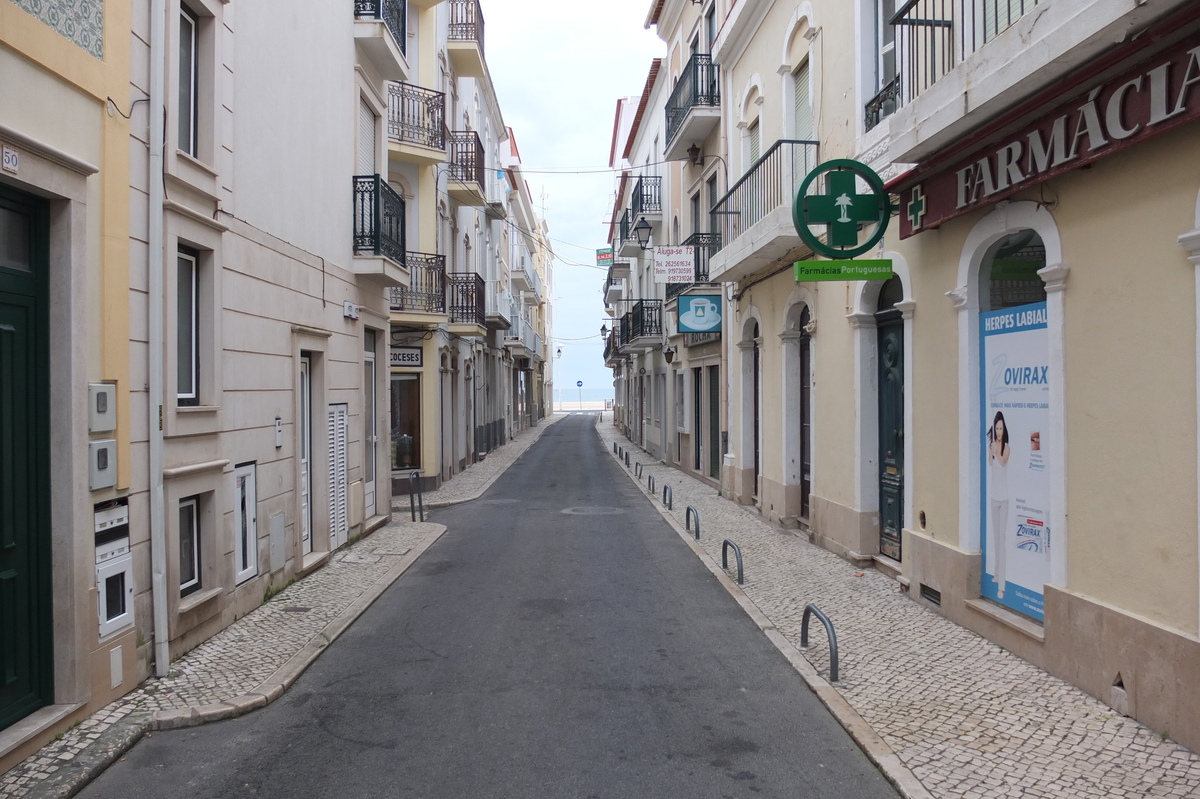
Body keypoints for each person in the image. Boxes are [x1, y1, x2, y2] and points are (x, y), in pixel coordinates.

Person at [988, 411, 1011, 598]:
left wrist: (997, 451)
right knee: (996, 538)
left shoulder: (1006, 447)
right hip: (993, 497)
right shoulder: (992, 446)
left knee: (1002, 540)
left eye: (1001, 428)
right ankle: (996, 574)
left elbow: (1002, 464)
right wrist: (991, 451)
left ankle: (1001, 586)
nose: (999, 431)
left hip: (1004, 498)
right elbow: (991, 465)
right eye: (996, 428)